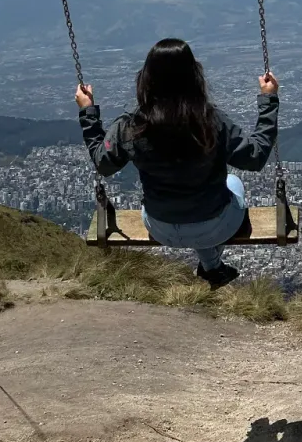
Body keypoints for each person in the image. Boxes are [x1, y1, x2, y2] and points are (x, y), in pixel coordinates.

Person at [76, 37, 279, 288]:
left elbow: (103, 164)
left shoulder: (132, 126)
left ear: (146, 79)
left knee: (189, 206)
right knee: (233, 182)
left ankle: (212, 268)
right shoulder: (210, 122)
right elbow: (255, 157)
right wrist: (268, 101)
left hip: (160, 226)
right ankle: (211, 266)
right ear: (194, 77)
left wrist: (88, 112)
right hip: (215, 226)